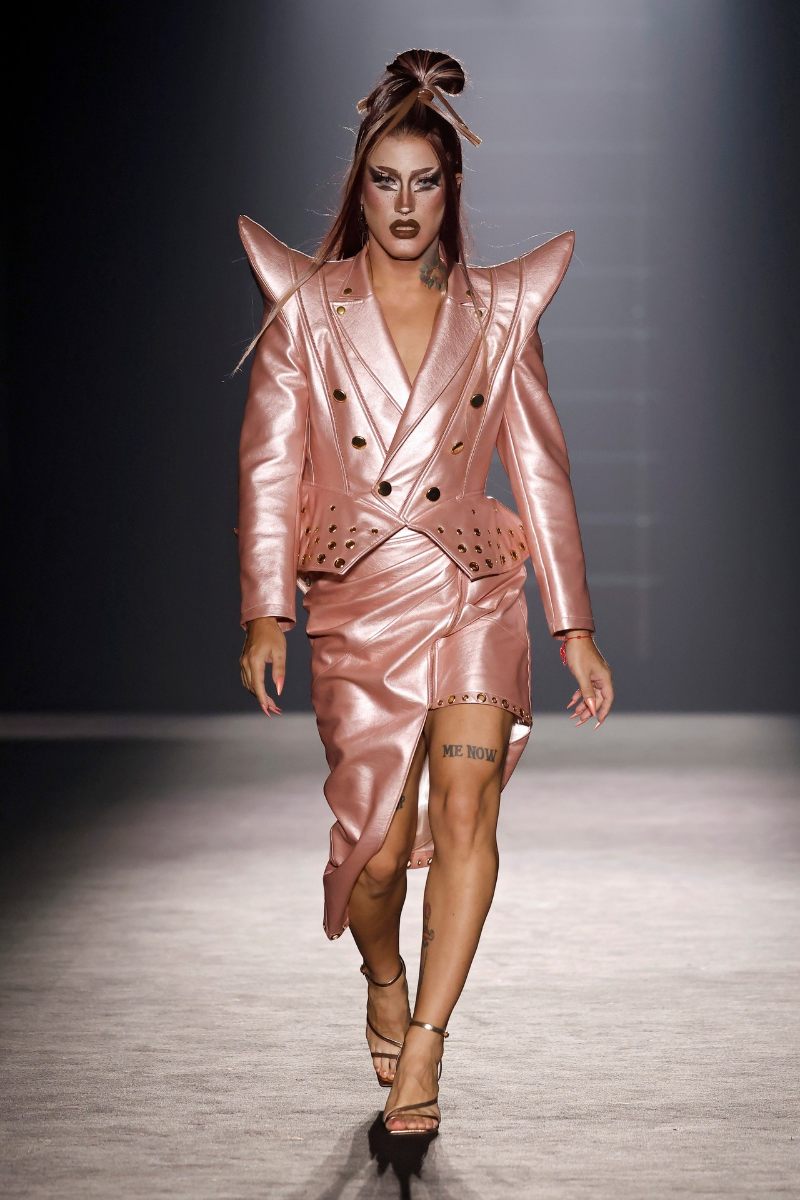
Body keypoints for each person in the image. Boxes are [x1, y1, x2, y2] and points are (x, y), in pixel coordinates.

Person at [233, 48, 614, 1135]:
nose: (404, 204)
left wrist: (574, 627)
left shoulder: (496, 313)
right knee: (375, 856)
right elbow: (270, 467)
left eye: (425, 182)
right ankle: (385, 975)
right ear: (359, 190)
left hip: (474, 587)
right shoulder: (308, 310)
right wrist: (265, 608)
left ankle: (428, 1048)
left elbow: (539, 467)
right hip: (358, 596)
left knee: (466, 806)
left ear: (452, 193)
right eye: (385, 181)